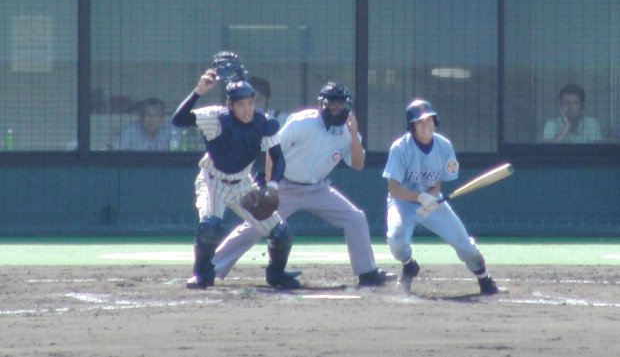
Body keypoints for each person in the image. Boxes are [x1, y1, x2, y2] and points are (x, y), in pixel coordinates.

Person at [213, 82, 396, 287]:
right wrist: (270, 185)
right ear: (321, 104)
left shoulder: (348, 131)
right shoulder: (301, 123)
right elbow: (274, 151)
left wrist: (353, 135)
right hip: (285, 187)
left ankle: (367, 272)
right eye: (331, 103)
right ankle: (212, 268)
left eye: (341, 104)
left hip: (317, 189)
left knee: (356, 218)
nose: (336, 108)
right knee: (255, 226)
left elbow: (358, 164)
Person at [171, 67, 300, 290]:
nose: (247, 109)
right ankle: (202, 274)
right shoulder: (215, 118)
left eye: (250, 103)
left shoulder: (263, 123)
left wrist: (271, 186)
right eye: (241, 104)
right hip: (213, 181)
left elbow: (277, 158)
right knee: (210, 227)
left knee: (281, 233)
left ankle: (277, 275)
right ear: (230, 105)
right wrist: (198, 92)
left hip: (242, 183)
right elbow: (179, 120)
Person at [383, 98, 499, 295]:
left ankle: (485, 280)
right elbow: (394, 189)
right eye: (420, 122)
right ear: (412, 126)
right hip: (402, 202)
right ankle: (409, 265)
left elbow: (438, 180)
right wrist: (419, 197)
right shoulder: (400, 148)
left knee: (466, 246)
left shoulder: (444, 146)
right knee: (396, 239)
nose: (426, 125)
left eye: (429, 120)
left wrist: (431, 196)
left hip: (432, 201)